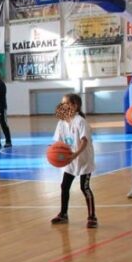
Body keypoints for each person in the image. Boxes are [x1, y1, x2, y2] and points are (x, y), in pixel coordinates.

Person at [51, 94, 97, 228]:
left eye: (66, 103)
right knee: (64, 186)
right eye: (62, 103)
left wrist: (75, 154)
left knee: (85, 187)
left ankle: (92, 217)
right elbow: (58, 142)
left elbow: (84, 141)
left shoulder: (81, 121)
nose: (62, 106)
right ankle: (63, 214)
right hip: (69, 160)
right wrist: (53, 152)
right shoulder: (61, 123)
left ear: (75, 106)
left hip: (84, 160)